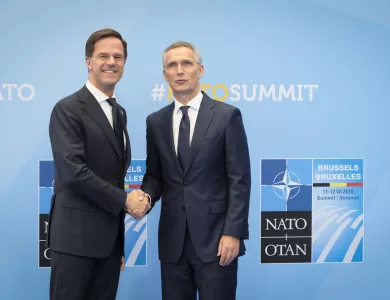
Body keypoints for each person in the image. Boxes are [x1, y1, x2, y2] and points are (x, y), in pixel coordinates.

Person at [140, 41, 251, 300]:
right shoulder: (155, 122)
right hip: (172, 242)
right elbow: (155, 175)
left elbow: (240, 180)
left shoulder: (227, 116)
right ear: (165, 74)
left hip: (216, 240)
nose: (179, 70)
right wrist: (144, 197)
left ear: (200, 70)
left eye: (186, 63)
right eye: (172, 65)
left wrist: (233, 232)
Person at [47, 28, 149, 300]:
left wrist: (117, 244)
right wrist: (125, 201)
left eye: (118, 56)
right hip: (74, 241)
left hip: (109, 243)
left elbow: (113, 175)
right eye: (103, 55)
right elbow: (73, 172)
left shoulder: (119, 112)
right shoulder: (68, 108)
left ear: (125, 63)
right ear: (88, 62)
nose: (111, 62)